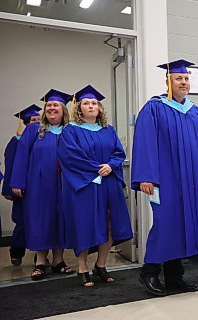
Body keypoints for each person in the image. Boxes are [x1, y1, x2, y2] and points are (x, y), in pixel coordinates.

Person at [132, 59, 198, 296]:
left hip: (191, 180)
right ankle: (149, 272)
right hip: (165, 180)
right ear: (168, 81)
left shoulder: (194, 111)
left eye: (186, 78)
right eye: (178, 78)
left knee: (182, 224)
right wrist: (146, 177)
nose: (183, 82)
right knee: (166, 223)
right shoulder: (154, 108)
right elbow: (145, 143)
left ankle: (174, 276)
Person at [57, 85, 132, 287]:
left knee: (109, 224)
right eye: (86, 103)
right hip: (85, 185)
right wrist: (97, 171)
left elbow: (119, 153)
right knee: (84, 224)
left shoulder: (108, 130)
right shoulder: (70, 131)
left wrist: (110, 166)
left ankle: (100, 264)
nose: (91, 106)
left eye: (94, 103)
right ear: (79, 108)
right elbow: (70, 158)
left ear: (99, 108)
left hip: (108, 183)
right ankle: (82, 268)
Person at [10, 89, 74, 280]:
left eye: (56, 106)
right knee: (39, 219)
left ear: (63, 110)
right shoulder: (34, 130)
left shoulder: (70, 131)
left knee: (60, 218)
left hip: (64, 184)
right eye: (49, 106)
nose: (52, 108)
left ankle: (58, 261)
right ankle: (40, 261)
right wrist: (18, 182)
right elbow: (21, 157)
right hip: (37, 184)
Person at [1, 104, 41, 266]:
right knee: (23, 222)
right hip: (22, 189)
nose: (37, 123)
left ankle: (40, 255)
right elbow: (10, 166)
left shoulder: (43, 138)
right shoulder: (16, 142)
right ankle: (17, 251)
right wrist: (9, 189)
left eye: (39, 120)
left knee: (41, 222)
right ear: (25, 123)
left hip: (39, 187)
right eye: (33, 120)